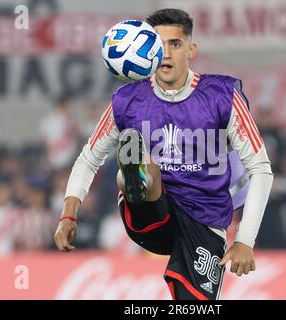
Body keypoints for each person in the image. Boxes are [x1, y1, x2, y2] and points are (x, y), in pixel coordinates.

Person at [54, 8, 273, 300]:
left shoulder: (222, 95)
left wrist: (245, 240)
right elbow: (88, 159)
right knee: (142, 161)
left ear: (191, 49)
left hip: (204, 220)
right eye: (158, 45)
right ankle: (134, 179)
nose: (166, 54)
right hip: (151, 216)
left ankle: (135, 174)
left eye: (175, 44)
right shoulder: (127, 100)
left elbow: (260, 169)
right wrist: (68, 216)